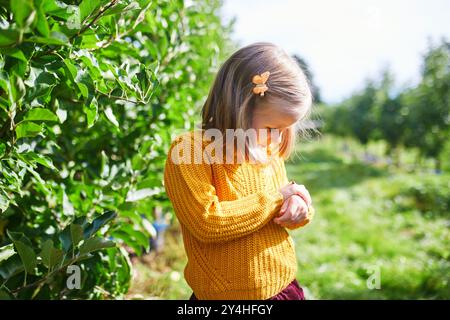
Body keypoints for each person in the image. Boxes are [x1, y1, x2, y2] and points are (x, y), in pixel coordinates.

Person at [163, 42, 315, 300]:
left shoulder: (267, 149)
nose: (277, 138)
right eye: (272, 128)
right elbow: (207, 221)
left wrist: (298, 207)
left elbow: (274, 212)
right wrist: (279, 197)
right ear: (240, 109)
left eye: (285, 129)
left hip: (282, 286)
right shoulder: (191, 151)